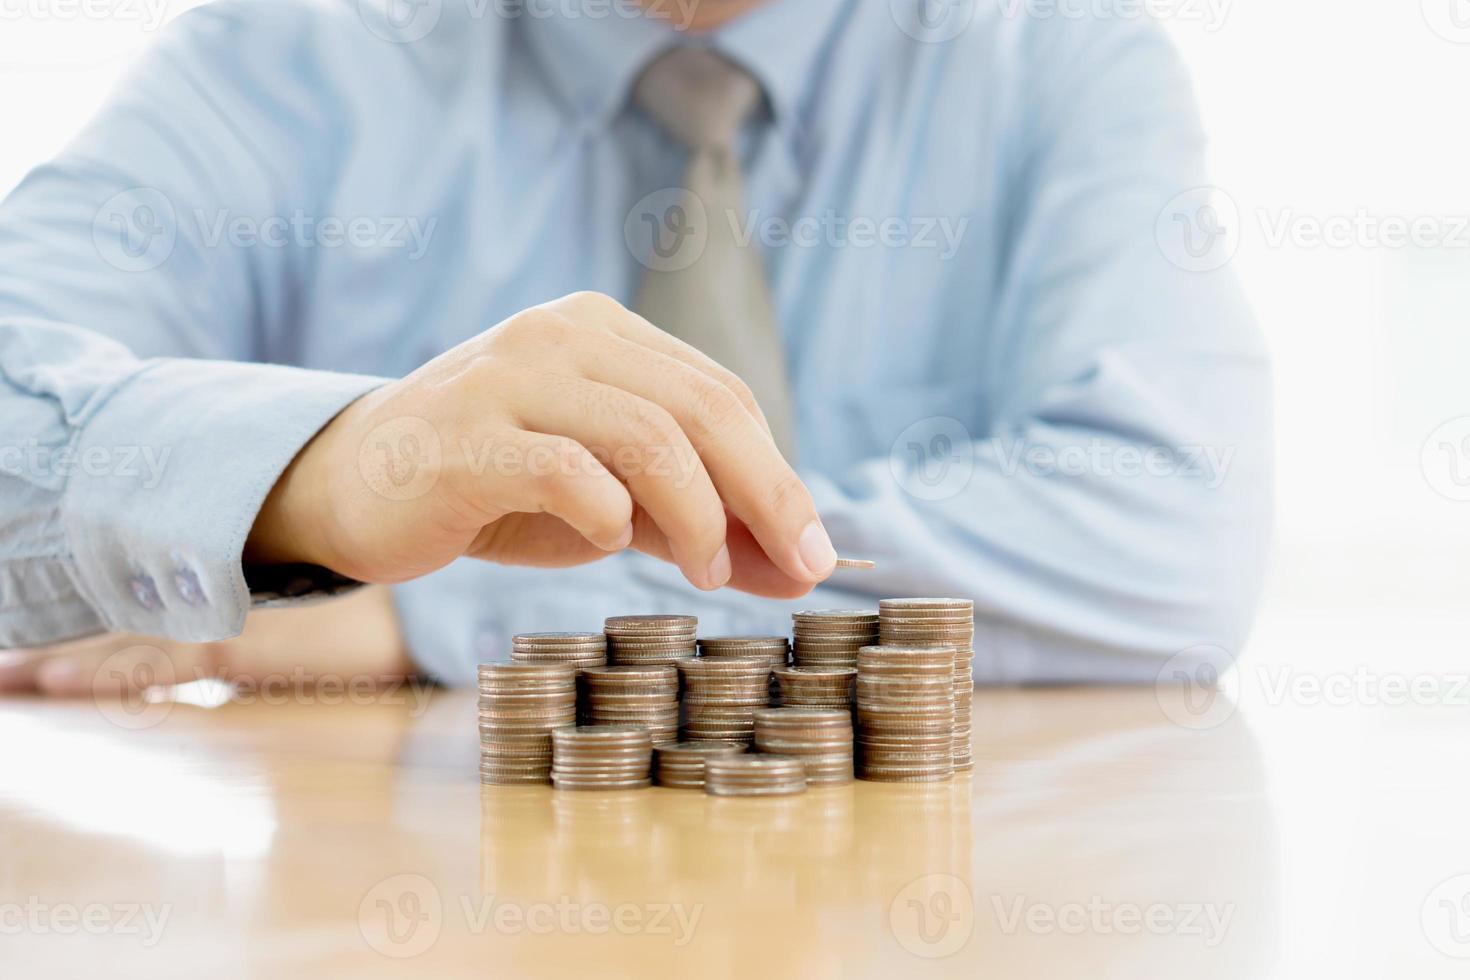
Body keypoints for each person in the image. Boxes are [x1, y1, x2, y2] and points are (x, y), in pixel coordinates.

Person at [0, 0, 1271, 694]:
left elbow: (1170, 531)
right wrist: (322, 481)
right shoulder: (277, 54)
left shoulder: (1057, 50)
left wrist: (458, 614)